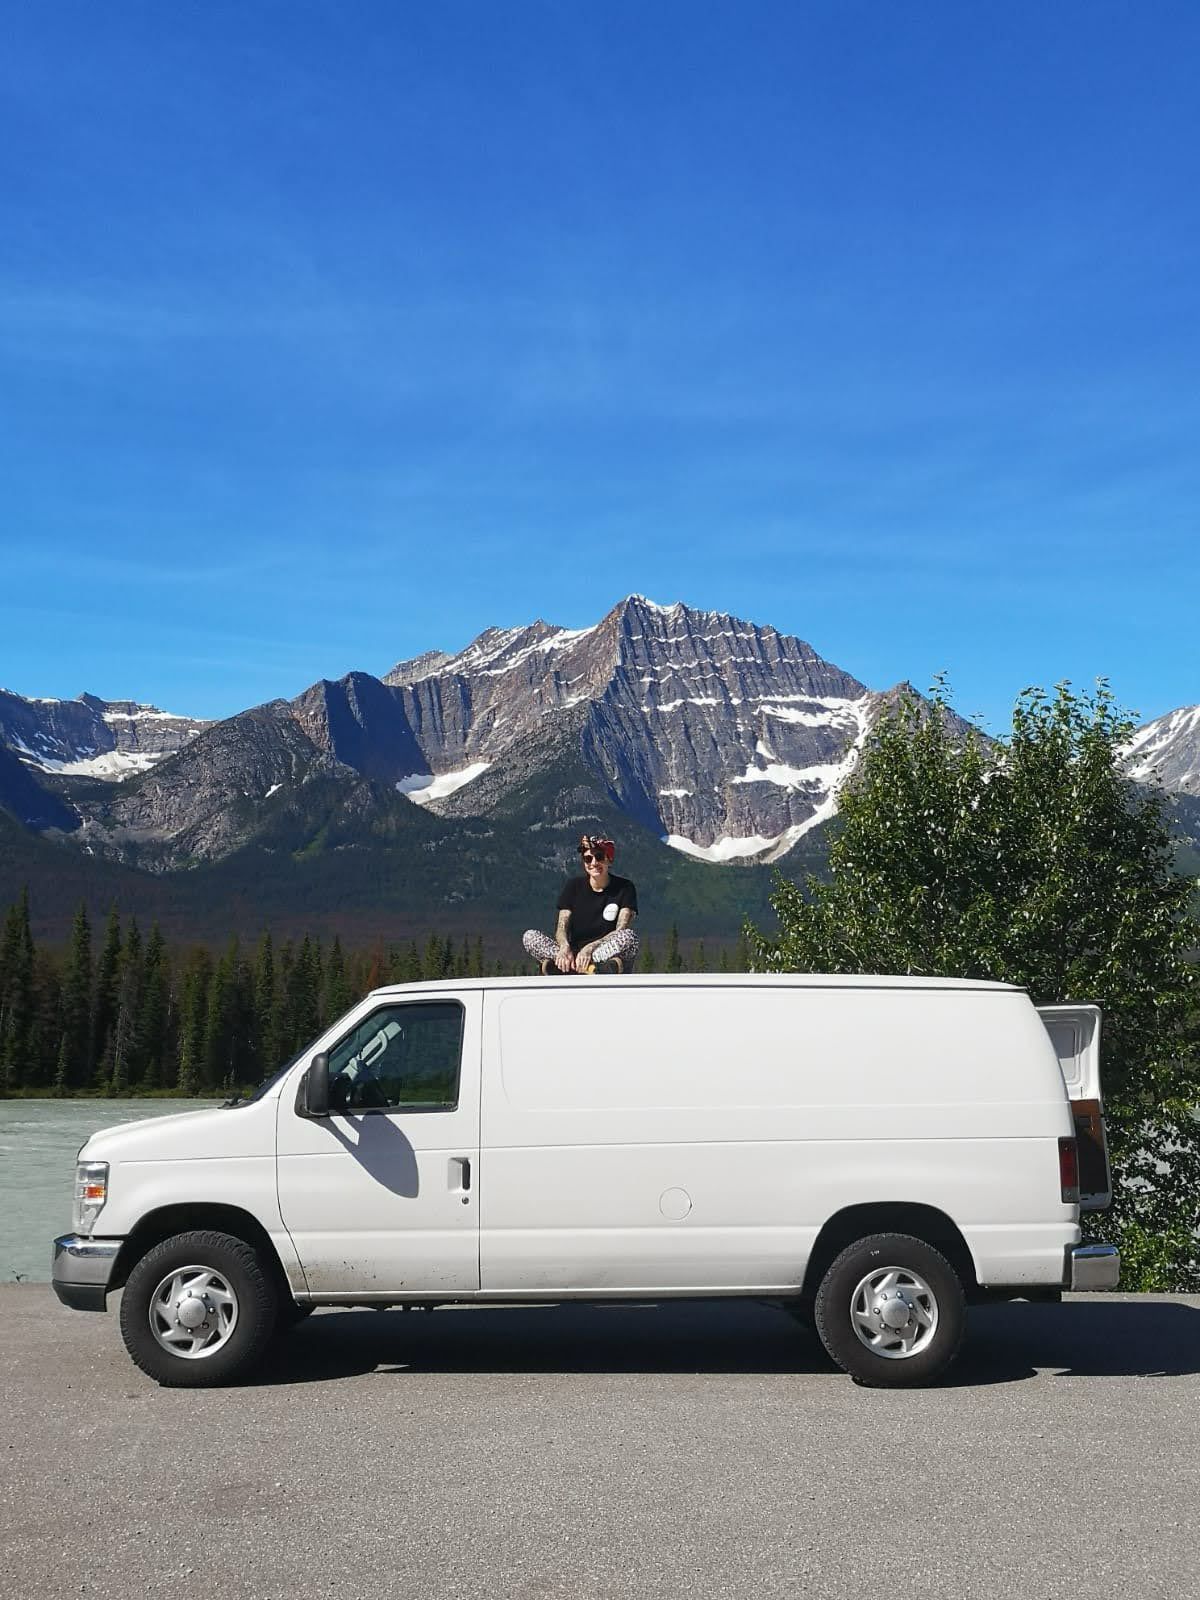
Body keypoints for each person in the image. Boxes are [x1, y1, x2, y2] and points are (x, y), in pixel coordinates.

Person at [523, 834, 640, 974]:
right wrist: (564, 947)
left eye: (599, 857)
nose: (594, 862)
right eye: (588, 858)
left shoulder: (625, 888)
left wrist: (590, 948)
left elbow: (621, 930)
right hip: (574, 954)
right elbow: (562, 927)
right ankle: (571, 964)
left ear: (609, 859)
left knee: (629, 937)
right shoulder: (573, 886)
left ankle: (591, 966)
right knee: (529, 936)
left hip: (603, 952)